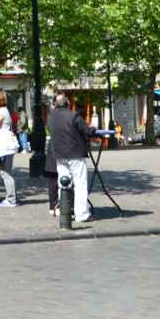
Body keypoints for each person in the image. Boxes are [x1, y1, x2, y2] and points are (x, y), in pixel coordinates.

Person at [48, 93, 96, 223]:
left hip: (59, 154)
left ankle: (65, 210)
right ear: (67, 103)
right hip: (74, 153)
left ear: (55, 104)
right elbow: (87, 131)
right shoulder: (73, 115)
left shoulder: (51, 117)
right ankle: (82, 214)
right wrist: (93, 128)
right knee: (80, 184)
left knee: (63, 183)